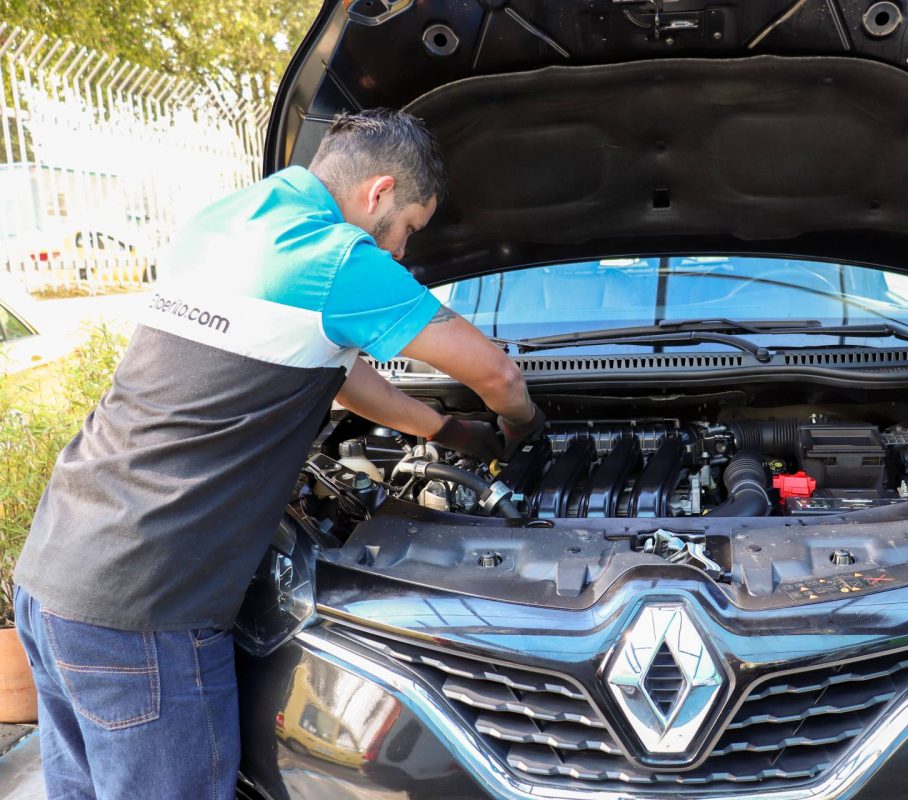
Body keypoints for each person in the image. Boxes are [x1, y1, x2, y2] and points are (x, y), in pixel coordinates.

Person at [11, 109, 545, 799]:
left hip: (57, 574)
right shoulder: (338, 258)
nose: (401, 251)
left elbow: (341, 376)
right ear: (380, 192)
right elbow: (497, 375)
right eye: (411, 228)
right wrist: (522, 427)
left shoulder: (226, 220)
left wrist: (445, 431)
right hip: (147, 608)